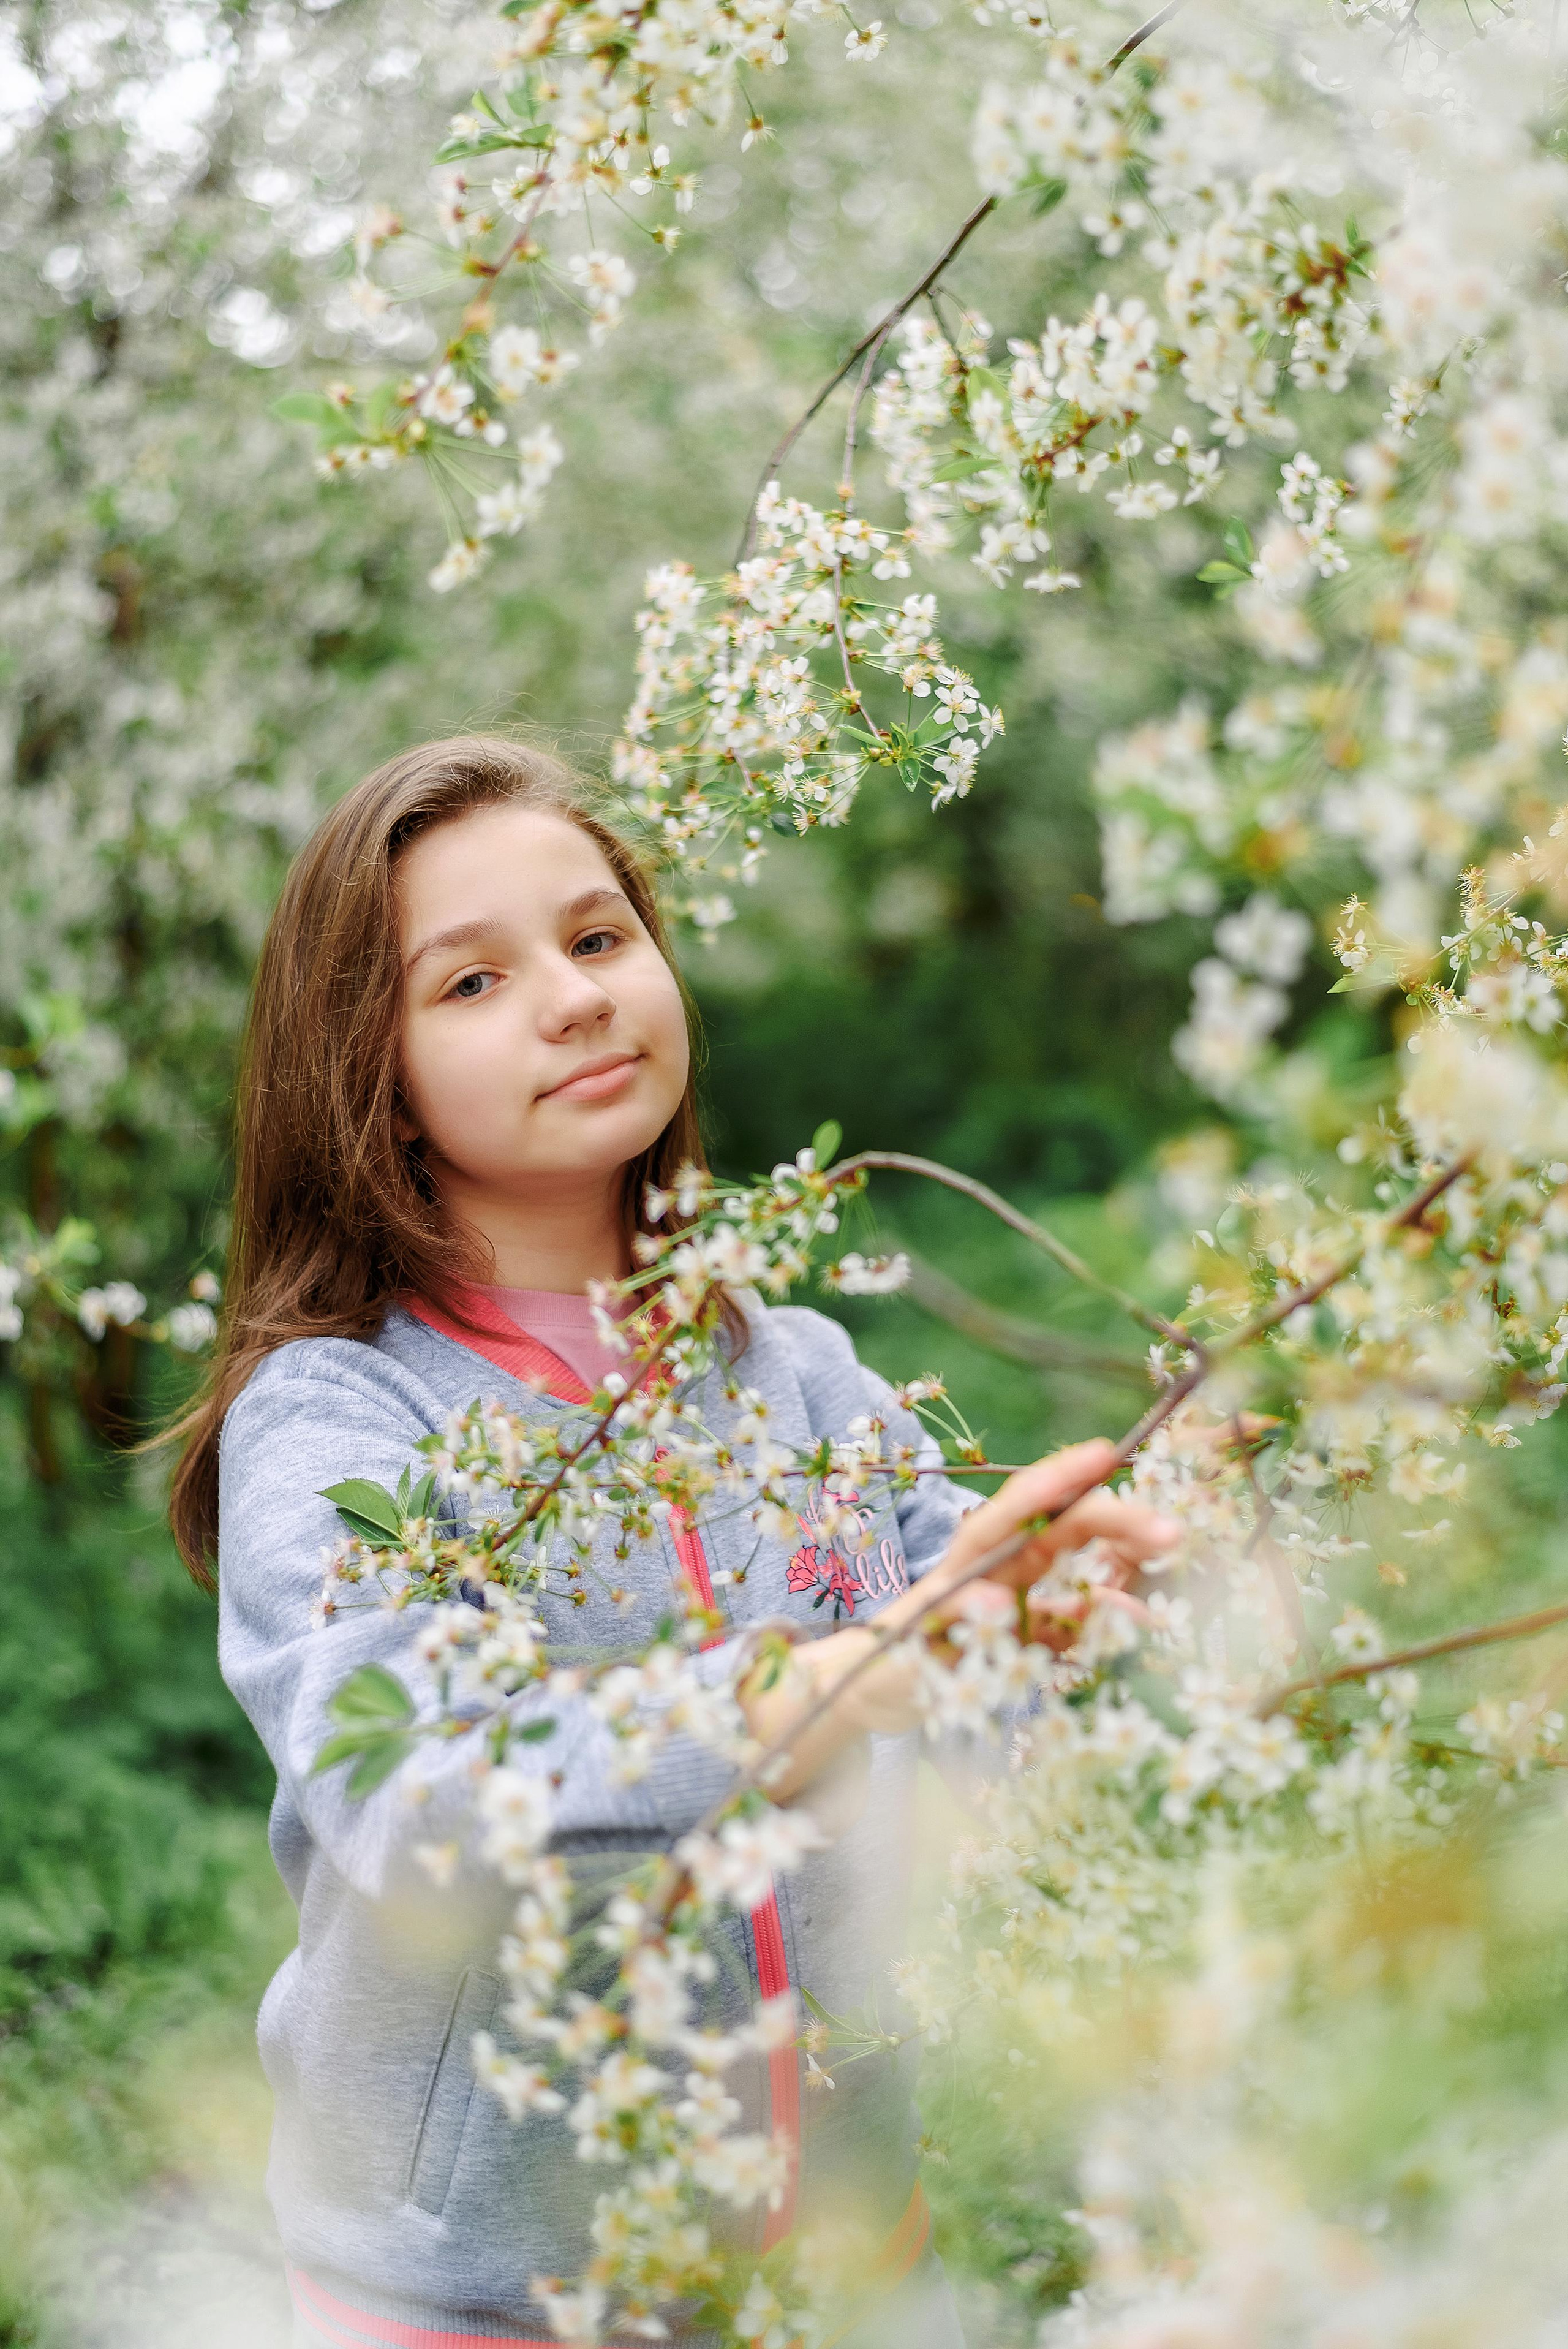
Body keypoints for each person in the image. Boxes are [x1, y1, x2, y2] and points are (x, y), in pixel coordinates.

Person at [169, 734, 1177, 2349]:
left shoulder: (801, 1374)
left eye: (597, 937)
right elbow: (416, 1793)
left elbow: (958, 1713)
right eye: (474, 980)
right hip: (486, 2303)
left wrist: (1055, 1607)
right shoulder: (340, 1425)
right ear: (372, 1074)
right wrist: (831, 1682)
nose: (575, 998)